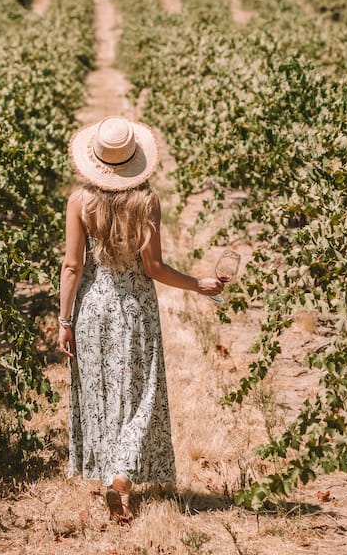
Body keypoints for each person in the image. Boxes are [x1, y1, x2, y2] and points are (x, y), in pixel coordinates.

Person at [58, 116, 223, 523]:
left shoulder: (80, 202)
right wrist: (197, 284)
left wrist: (65, 320)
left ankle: (112, 475)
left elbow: (72, 266)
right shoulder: (146, 202)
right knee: (138, 396)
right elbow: (154, 268)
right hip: (135, 310)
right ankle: (122, 476)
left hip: (94, 311)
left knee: (101, 396)